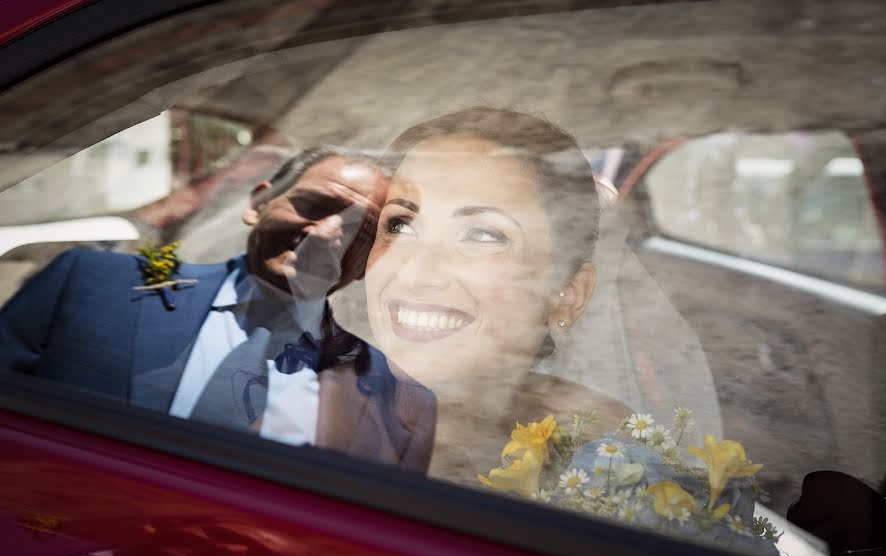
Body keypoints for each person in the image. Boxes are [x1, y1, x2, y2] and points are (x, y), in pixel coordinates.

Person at [0, 146, 435, 469]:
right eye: (314, 206)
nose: (325, 234)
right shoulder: (91, 285)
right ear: (257, 204)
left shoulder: (400, 405)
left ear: (371, 261)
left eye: (358, 229)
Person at [324, 108, 633, 482]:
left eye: (483, 234)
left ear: (567, 295)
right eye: (400, 225)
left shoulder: (614, 454)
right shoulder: (301, 421)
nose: (416, 274)